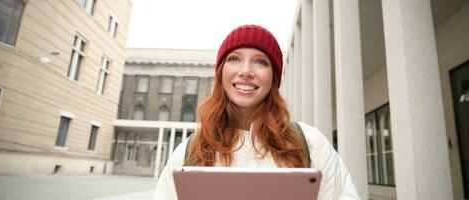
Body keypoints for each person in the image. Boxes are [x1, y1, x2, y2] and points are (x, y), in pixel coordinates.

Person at [154, 25, 359, 200]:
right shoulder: (191, 149)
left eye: (261, 61)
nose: (246, 71)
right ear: (220, 73)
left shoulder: (310, 143)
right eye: (234, 59)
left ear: (274, 78)